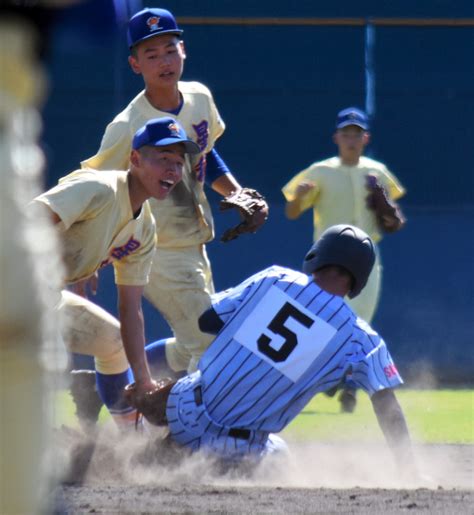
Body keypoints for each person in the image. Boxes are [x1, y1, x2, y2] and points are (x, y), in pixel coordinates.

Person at [81, 7, 269, 378]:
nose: (163, 60)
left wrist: (235, 191)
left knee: (188, 349)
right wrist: (91, 250)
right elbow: (95, 188)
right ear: (135, 64)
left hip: (192, 241)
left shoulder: (199, 98)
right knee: (212, 342)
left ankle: (106, 388)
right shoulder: (127, 126)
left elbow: (204, 150)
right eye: (151, 54)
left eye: (170, 49)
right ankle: (193, 434)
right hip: (153, 247)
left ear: (184, 51)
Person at [141, 225, 416, 477]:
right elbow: (386, 403)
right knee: (280, 456)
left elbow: (207, 321)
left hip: (182, 408)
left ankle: (150, 441)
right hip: (234, 449)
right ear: (360, 279)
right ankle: (195, 461)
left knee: (184, 389)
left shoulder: (274, 278)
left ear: (317, 255)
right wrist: (408, 470)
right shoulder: (361, 338)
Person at [32, 116, 200, 429]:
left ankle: (127, 446)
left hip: (44, 297)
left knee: (114, 343)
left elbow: (131, 308)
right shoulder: (97, 188)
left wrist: (145, 381)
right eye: (163, 159)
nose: (173, 171)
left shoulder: (145, 228)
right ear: (135, 159)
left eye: (178, 163)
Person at [282, 107, 406, 412]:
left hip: (366, 257)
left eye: (356, 134)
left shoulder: (376, 172)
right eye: (346, 133)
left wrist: (388, 209)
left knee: (359, 320)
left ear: (366, 138)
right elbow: (292, 211)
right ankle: (329, 377)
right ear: (336, 137)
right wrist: (298, 197)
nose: (351, 139)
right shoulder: (320, 171)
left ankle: (348, 382)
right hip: (329, 259)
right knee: (320, 322)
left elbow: (394, 221)